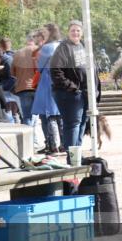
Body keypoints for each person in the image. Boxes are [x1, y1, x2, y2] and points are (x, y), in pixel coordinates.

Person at [50, 20, 101, 162]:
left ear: (82, 33)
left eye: (78, 30)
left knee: (82, 123)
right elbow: (55, 71)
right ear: (68, 32)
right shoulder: (63, 48)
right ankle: (72, 157)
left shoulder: (83, 46)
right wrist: (72, 87)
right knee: (73, 124)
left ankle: (77, 155)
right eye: (73, 30)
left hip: (85, 93)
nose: (75, 33)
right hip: (70, 94)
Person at [32, 23, 64, 155]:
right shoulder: (62, 45)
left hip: (47, 83)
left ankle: (52, 145)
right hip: (61, 83)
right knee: (60, 116)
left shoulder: (46, 48)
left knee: (48, 115)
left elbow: (39, 68)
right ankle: (64, 144)